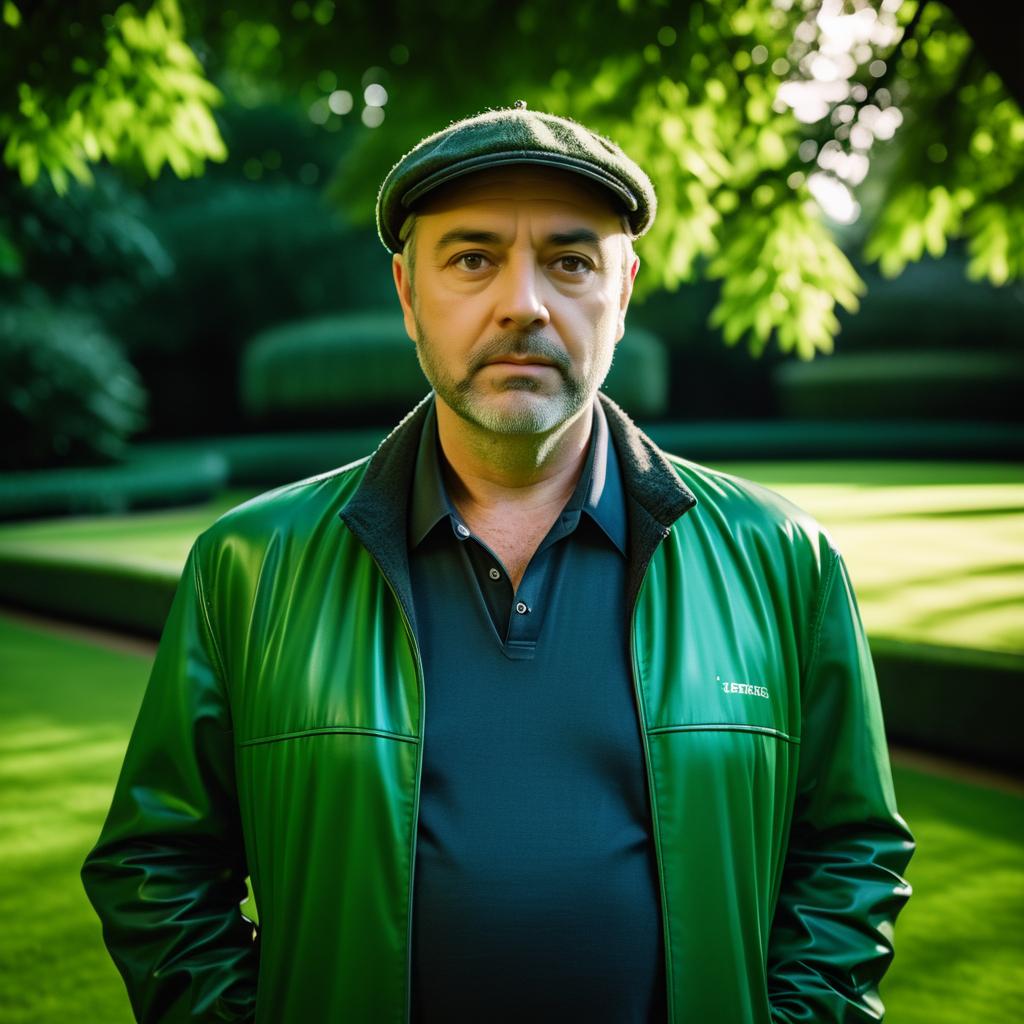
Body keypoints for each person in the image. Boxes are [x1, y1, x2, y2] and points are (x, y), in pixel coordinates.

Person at [82, 104, 914, 1024]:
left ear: (623, 291)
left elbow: (851, 854)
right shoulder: (244, 564)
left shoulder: (783, 560)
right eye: (472, 258)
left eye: (570, 261)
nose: (524, 302)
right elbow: (156, 867)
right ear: (407, 294)